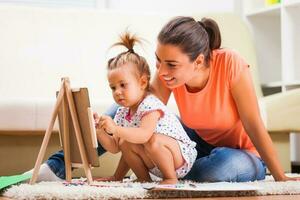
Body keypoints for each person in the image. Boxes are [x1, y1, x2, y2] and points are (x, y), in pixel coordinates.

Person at [27, 16, 299, 183]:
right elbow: (136, 117)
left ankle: (175, 175)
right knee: (126, 103)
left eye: (171, 64)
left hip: (241, 152)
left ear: (199, 61)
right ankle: (56, 167)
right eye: (158, 61)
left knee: (214, 172)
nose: (161, 71)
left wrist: (279, 176)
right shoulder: (167, 74)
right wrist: (121, 160)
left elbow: (253, 124)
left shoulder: (231, 64)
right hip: (193, 142)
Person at [94, 31, 197, 184]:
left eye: (123, 85)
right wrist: (100, 130)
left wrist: (115, 129)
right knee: (124, 142)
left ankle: (171, 178)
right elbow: (115, 147)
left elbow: (144, 135)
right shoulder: (122, 112)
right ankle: (144, 179)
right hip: (155, 160)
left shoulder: (150, 104)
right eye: (113, 87)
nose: (117, 92)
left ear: (142, 83)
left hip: (179, 158)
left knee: (151, 138)